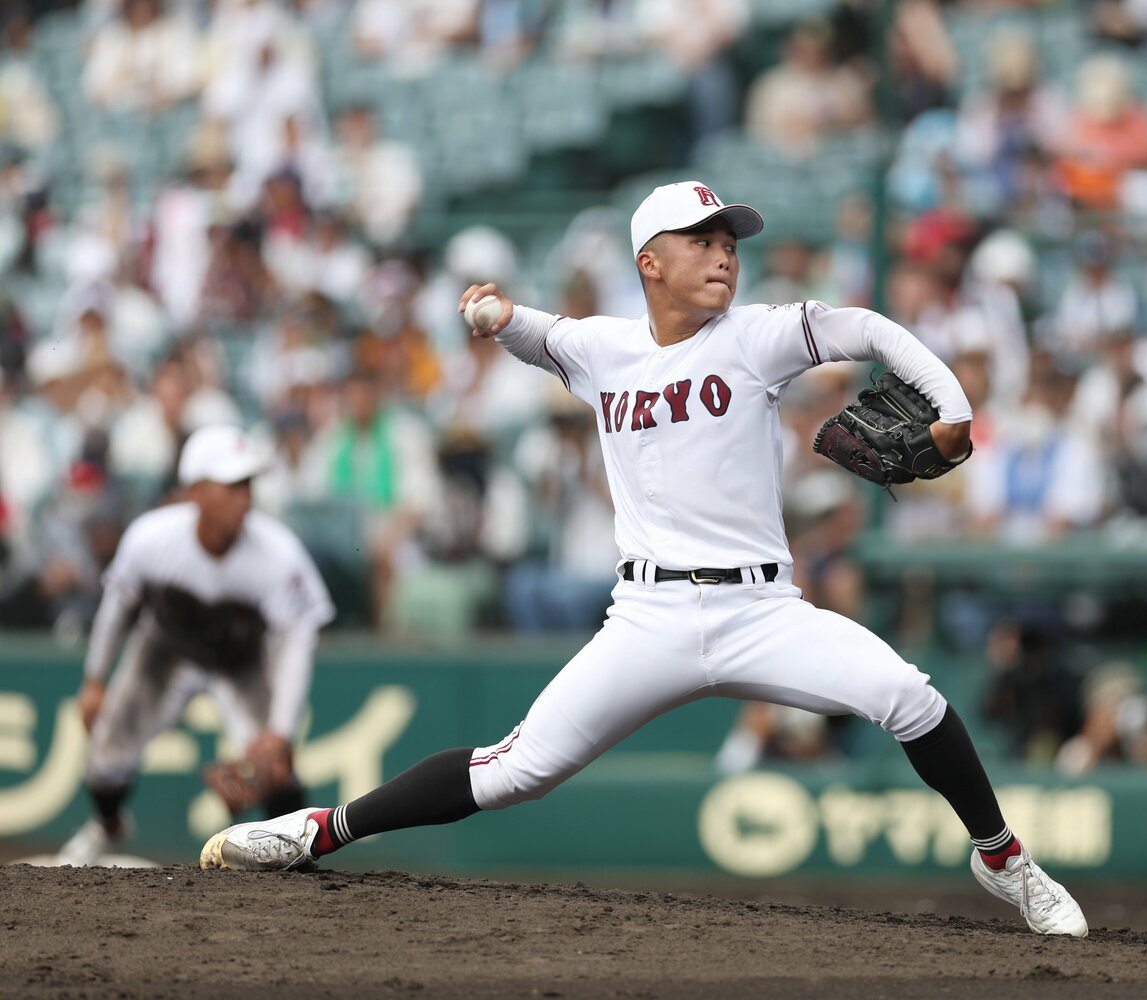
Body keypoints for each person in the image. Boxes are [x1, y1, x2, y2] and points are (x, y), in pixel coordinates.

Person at [200, 181, 1089, 937]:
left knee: (910, 697)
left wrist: (956, 410)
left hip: (762, 612)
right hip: (648, 619)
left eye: (728, 241)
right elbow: (537, 333)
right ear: (648, 264)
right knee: (512, 770)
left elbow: (866, 327)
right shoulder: (604, 348)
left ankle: (1003, 860)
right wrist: (492, 314)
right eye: (699, 240)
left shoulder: (756, 336)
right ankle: (319, 830)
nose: (723, 254)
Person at [57, 425, 334, 866]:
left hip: (241, 659)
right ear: (197, 492)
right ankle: (107, 827)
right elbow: (117, 607)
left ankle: (293, 856)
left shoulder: (277, 552)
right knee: (105, 760)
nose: (245, 496)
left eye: (248, 484)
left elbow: (298, 641)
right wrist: (94, 681)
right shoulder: (153, 537)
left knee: (278, 773)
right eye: (232, 486)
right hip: (165, 651)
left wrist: (279, 733)